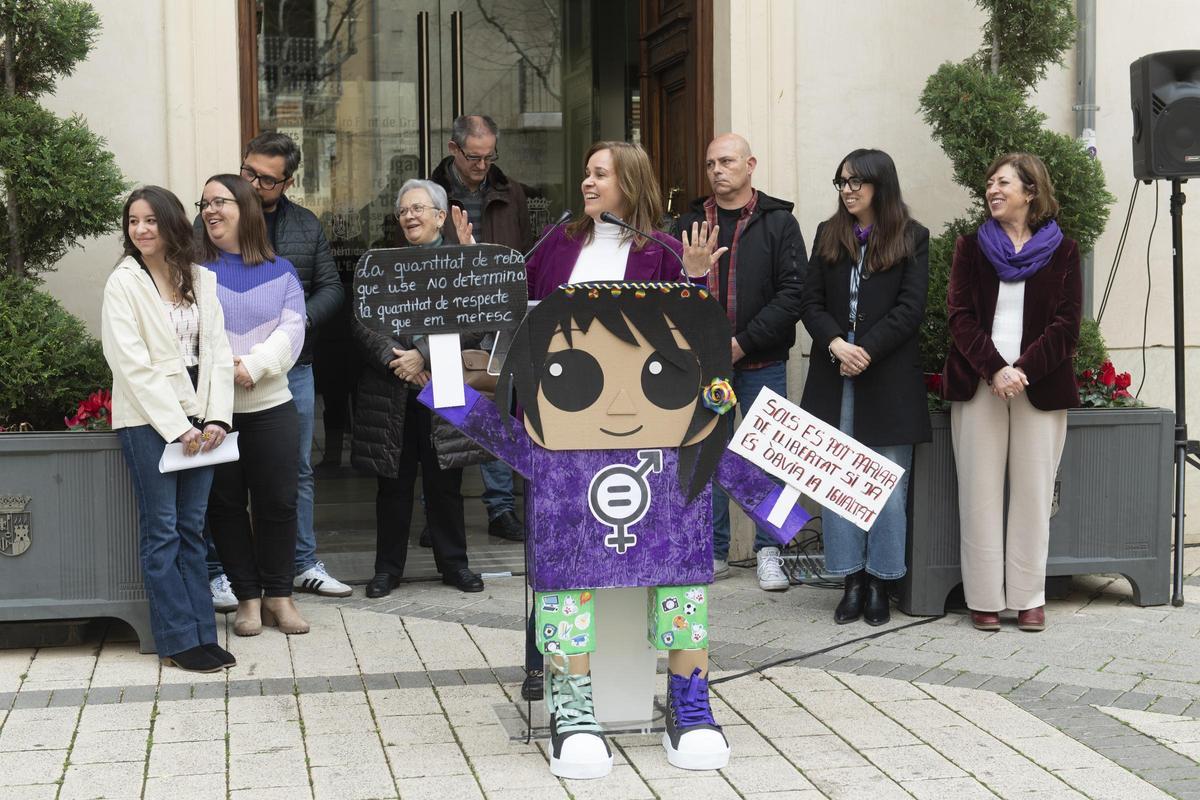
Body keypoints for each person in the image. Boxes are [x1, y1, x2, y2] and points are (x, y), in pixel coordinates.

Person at [421, 282, 809, 779]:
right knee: (564, 604)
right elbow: (476, 417)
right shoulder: (545, 448)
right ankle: (572, 707)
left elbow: (745, 478)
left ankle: (689, 703)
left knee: (685, 602)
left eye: (660, 373)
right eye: (570, 375)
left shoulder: (694, 445)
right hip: (572, 544)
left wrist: (806, 509)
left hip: (671, 539)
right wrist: (440, 344)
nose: (622, 405)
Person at [518, 140, 718, 702]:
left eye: (600, 174)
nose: (588, 182)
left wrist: (694, 280)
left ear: (630, 183)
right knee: (561, 543)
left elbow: (689, 337)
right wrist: (477, 272)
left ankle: (683, 692)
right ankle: (549, 670)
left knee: (659, 552)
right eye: (586, 173)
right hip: (565, 426)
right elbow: (519, 309)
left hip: (643, 429)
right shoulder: (557, 242)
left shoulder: (665, 250)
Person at [205, 132, 350, 611]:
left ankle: (300, 564)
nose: (254, 183)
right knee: (221, 488)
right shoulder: (212, 221)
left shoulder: (304, 226)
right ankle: (223, 574)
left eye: (267, 179)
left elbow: (330, 287)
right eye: (248, 172)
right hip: (222, 381)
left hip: (291, 369)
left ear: (287, 183)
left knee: (291, 476)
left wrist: (291, 327)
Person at [943, 152, 1081, 633]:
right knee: (978, 492)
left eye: (1003, 182)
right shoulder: (970, 248)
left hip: (1039, 384)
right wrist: (996, 370)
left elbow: (1067, 326)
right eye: (990, 183)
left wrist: (1021, 370)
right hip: (980, 381)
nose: (993, 190)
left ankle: (1028, 598)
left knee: (1034, 494)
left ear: (1031, 191)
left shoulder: (1064, 251)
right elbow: (959, 316)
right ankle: (983, 598)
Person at [102, 186, 237, 673]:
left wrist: (217, 417)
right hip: (148, 420)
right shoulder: (124, 282)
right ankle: (177, 640)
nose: (140, 229)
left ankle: (202, 632)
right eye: (133, 221)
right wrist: (178, 427)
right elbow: (131, 365)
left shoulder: (200, 278)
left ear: (171, 223)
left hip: (202, 417)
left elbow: (217, 352)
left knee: (192, 529)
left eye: (150, 220)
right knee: (162, 530)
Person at [799, 149, 931, 626]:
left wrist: (865, 350)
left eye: (856, 181)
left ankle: (880, 581)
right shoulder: (827, 234)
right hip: (834, 371)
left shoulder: (912, 237)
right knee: (839, 481)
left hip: (887, 374)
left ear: (881, 184)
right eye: (842, 182)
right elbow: (809, 301)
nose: (847, 190)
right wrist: (838, 344)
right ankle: (851, 580)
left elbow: (911, 309)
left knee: (887, 485)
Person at [675, 134, 806, 591]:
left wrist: (742, 343)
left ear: (750, 164)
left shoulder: (779, 222)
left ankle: (772, 551)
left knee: (772, 457)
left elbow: (793, 294)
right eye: (711, 163)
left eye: (727, 161)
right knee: (706, 454)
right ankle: (712, 551)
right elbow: (674, 292)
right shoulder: (690, 222)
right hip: (702, 365)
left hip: (761, 360)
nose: (717, 170)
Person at [352, 179, 487, 598]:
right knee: (392, 485)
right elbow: (361, 320)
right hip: (391, 388)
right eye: (404, 211)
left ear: (440, 217)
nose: (409, 216)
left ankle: (455, 564)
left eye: (418, 209)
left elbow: (476, 321)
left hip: (442, 382)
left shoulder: (458, 265)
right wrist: (400, 361)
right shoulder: (380, 264)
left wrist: (423, 355)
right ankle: (387, 570)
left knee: (445, 481)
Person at [198, 174, 310, 637]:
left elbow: (293, 329)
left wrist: (255, 365)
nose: (210, 210)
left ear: (245, 207)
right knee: (225, 506)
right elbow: (190, 333)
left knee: (279, 502)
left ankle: (279, 597)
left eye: (219, 201)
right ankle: (247, 598)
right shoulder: (192, 272)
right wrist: (228, 369)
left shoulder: (282, 271)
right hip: (215, 413)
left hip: (272, 406)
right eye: (204, 203)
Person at [430, 114, 531, 544]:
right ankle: (439, 516)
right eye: (474, 157)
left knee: (497, 413)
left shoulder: (512, 193)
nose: (483, 165)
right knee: (447, 413)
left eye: (490, 156)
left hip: (499, 318)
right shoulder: (429, 194)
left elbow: (524, 254)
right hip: (446, 319)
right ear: (454, 149)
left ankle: (501, 508)